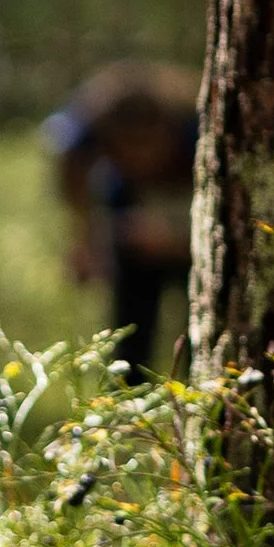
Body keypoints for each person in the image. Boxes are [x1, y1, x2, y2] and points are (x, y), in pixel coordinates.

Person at [44, 60, 200, 378]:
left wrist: (178, 238)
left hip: (191, 211)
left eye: (147, 145)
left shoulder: (194, 128)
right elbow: (68, 163)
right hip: (128, 213)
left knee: (198, 326)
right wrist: (84, 241)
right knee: (131, 326)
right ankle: (130, 392)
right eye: (127, 148)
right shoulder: (88, 129)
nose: (139, 158)